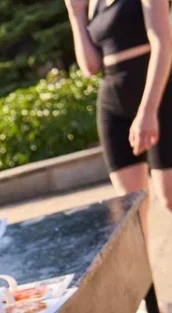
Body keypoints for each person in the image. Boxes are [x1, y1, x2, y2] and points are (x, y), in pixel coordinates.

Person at [66, 0, 172, 229]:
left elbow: (163, 44)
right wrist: (76, 14)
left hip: (158, 96)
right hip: (113, 103)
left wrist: (148, 110)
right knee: (131, 211)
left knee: (169, 196)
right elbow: (90, 67)